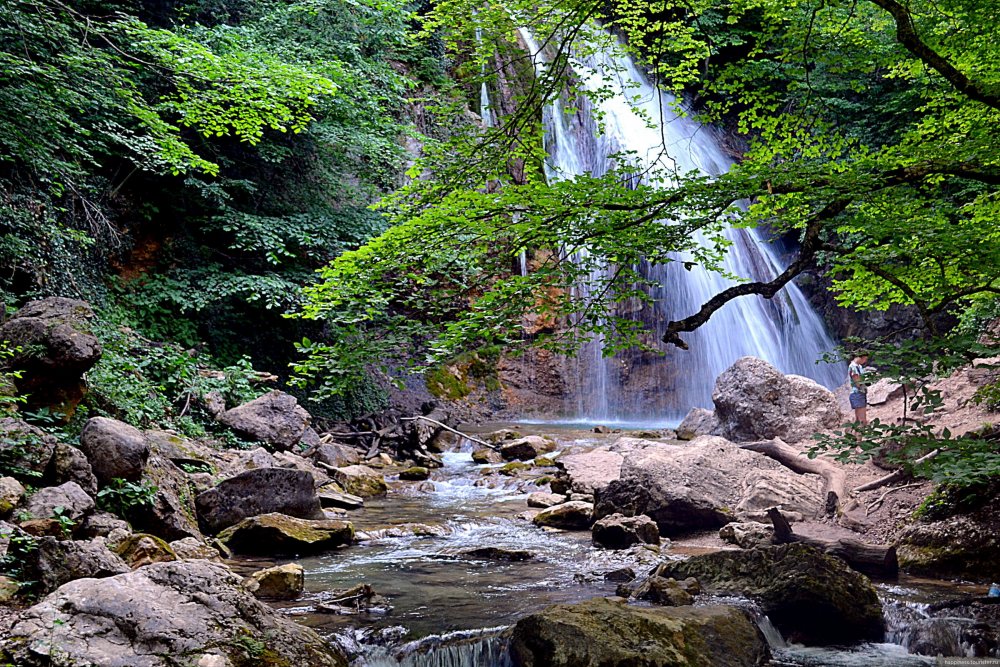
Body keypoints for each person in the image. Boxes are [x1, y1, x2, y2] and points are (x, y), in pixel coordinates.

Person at [848, 351, 870, 435]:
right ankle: (859, 442)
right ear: (861, 357)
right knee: (862, 421)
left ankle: (853, 439)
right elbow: (858, 383)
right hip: (857, 394)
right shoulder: (853, 367)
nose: (865, 361)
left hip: (859, 394)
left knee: (857, 420)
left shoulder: (859, 366)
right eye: (865, 359)